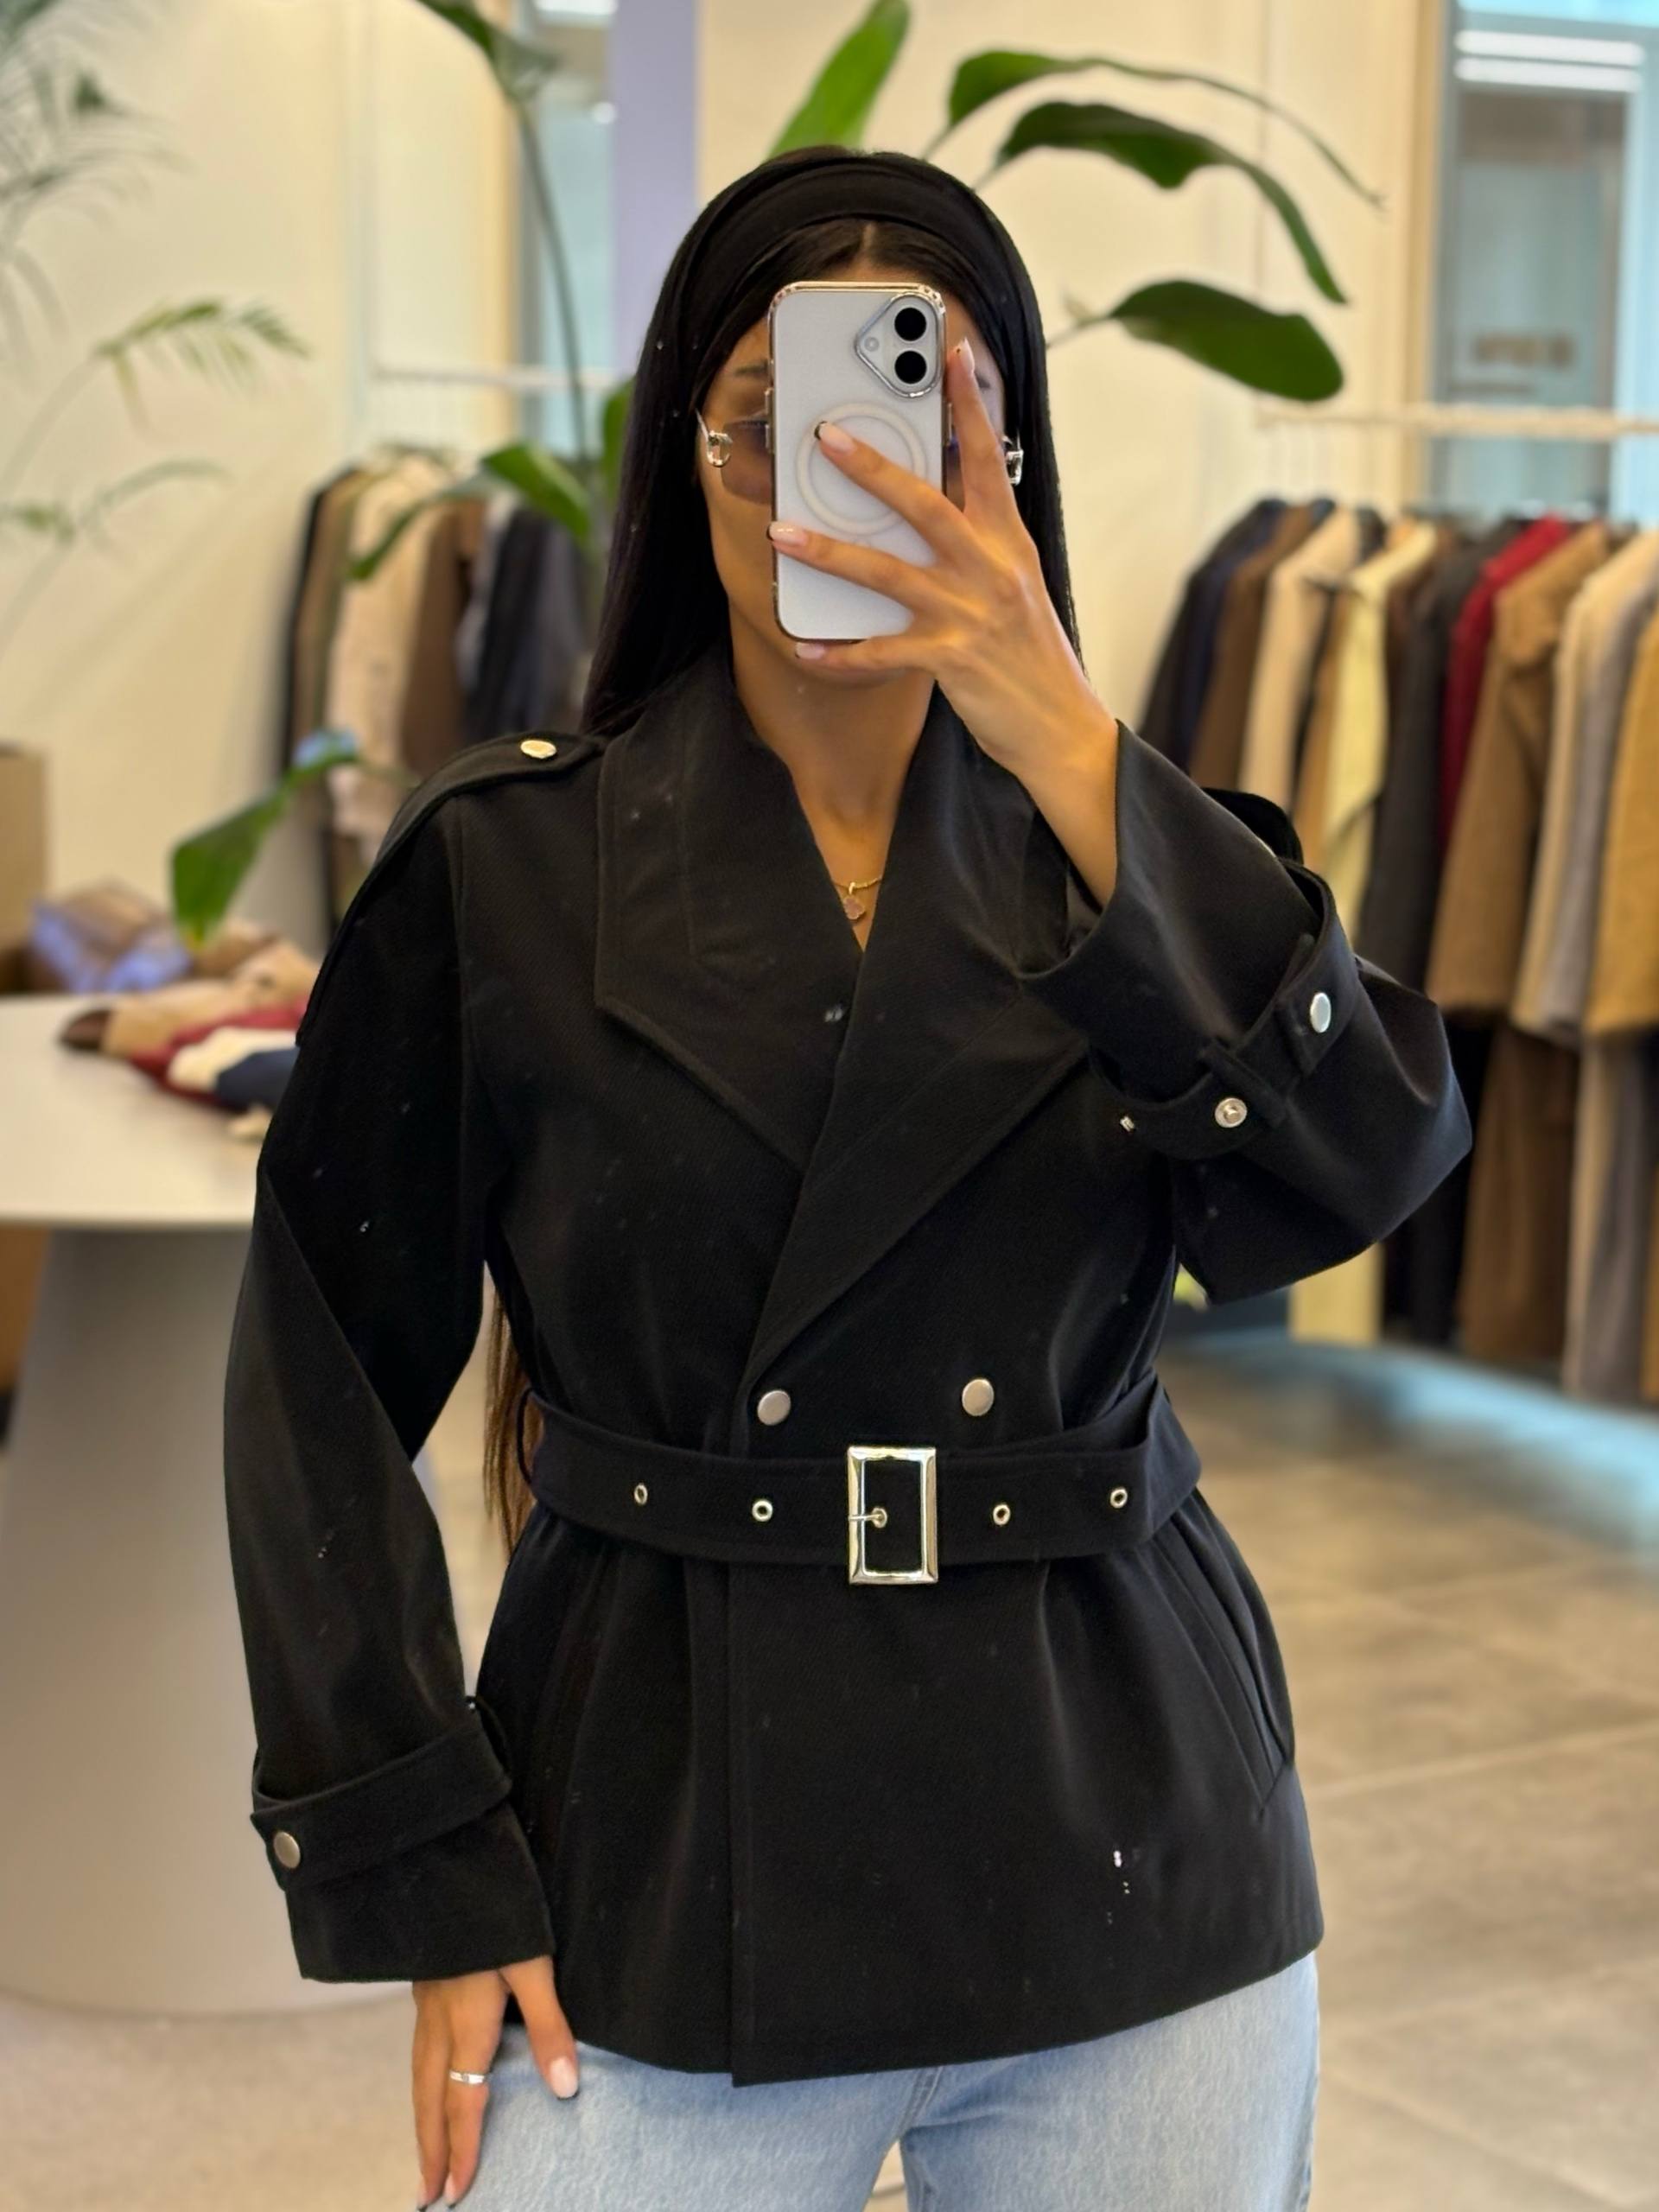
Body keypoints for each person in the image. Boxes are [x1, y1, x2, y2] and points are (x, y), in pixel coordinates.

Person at [222, 145, 1473, 2211]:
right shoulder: (504, 872)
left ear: (1009, 463)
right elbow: (315, 1391)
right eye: (774, 416)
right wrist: (420, 1854)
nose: (844, 473)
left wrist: (1065, 733)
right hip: (656, 1820)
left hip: (1123, 1827)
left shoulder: (1146, 864)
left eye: (927, 419)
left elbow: (1358, 1170)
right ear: (689, 452)